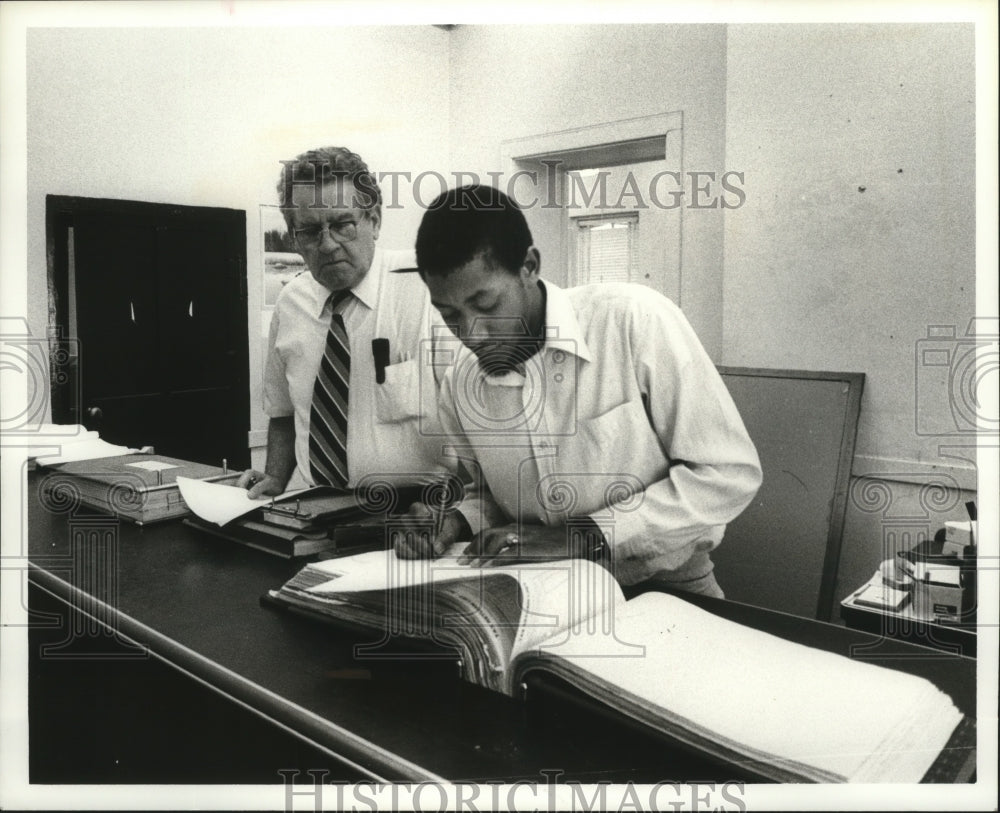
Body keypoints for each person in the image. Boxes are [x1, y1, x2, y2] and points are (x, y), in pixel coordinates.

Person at [393, 184, 762, 597]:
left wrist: (586, 536)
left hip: (666, 587)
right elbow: (489, 494)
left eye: (486, 304)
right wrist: (459, 519)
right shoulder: (462, 380)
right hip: (539, 591)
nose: (471, 334)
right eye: (449, 314)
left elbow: (727, 473)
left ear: (528, 266)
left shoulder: (633, 321)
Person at [238, 147, 443, 497]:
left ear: (374, 220)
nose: (328, 245)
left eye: (342, 225)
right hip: (322, 509)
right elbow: (285, 414)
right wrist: (274, 477)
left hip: (422, 512)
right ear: (294, 237)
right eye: (310, 231)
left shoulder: (429, 287)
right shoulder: (291, 303)